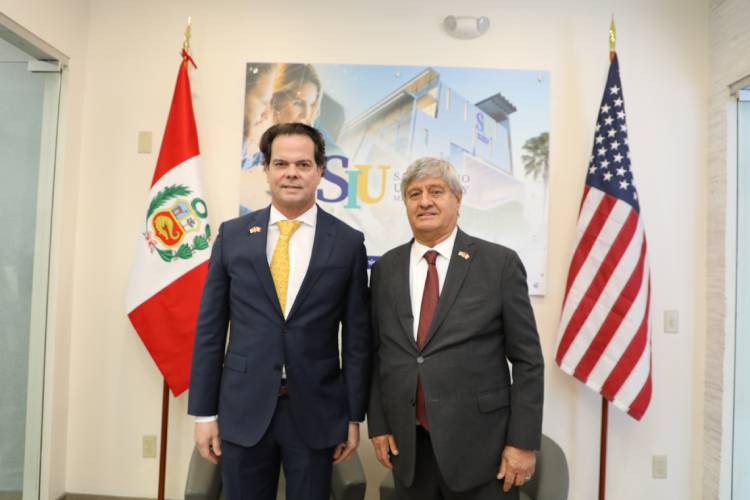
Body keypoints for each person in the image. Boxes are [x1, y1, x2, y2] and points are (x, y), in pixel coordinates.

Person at [189, 123, 371, 500]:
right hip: (243, 408)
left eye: (303, 164)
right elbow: (209, 330)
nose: (291, 173)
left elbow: (357, 340)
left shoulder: (348, 243)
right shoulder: (233, 235)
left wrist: (354, 416)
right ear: (266, 170)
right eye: (281, 163)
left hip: (316, 411)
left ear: (320, 171)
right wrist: (204, 414)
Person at [367, 157, 544, 500]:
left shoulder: (499, 264)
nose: (425, 201)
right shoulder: (386, 268)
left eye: (436, 191)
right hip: (410, 449)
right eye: (414, 194)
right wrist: (379, 425)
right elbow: (376, 353)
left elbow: (528, 361)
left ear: (458, 199)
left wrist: (522, 443)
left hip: (483, 451)